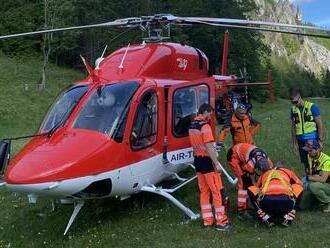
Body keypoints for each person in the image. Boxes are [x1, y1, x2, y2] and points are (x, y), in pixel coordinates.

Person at [188, 103, 231, 231]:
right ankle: (221, 222)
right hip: (207, 161)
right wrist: (216, 164)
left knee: (204, 191)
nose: (210, 117)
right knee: (216, 191)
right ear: (205, 112)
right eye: (210, 114)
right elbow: (208, 146)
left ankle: (207, 221)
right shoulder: (205, 127)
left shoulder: (192, 125)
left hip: (197, 161)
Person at [248, 162, 303, 227]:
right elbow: (300, 183)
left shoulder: (265, 174)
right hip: (286, 204)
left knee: (251, 189)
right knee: (298, 187)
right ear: (284, 168)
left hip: (267, 204)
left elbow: (257, 187)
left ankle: (265, 217)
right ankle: (288, 217)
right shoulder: (288, 172)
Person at [227, 142, 272, 218]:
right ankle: (241, 210)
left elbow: (270, 173)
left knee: (249, 183)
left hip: (242, 152)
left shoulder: (268, 161)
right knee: (244, 182)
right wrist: (257, 187)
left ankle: (247, 204)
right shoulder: (251, 163)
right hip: (233, 156)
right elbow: (251, 177)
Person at [290, 89, 325, 174]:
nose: (294, 104)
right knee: (305, 163)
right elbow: (293, 127)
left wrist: (320, 140)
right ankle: (308, 178)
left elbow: (320, 124)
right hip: (300, 140)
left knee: (316, 162)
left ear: (300, 97)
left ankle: (319, 181)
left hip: (312, 140)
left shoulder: (312, 107)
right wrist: (295, 143)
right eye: (292, 102)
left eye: (295, 102)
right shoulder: (293, 110)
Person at [299, 140, 330, 212]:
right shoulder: (310, 156)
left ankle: (327, 201)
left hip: (327, 184)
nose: (308, 152)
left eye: (310, 150)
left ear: (317, 149)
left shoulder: (326, 160)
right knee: (302, 206)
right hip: (319, 183)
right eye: (307, 150)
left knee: (312, 186)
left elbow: (323, 179)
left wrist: (308, 177)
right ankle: (319, 199)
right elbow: (311, 173)